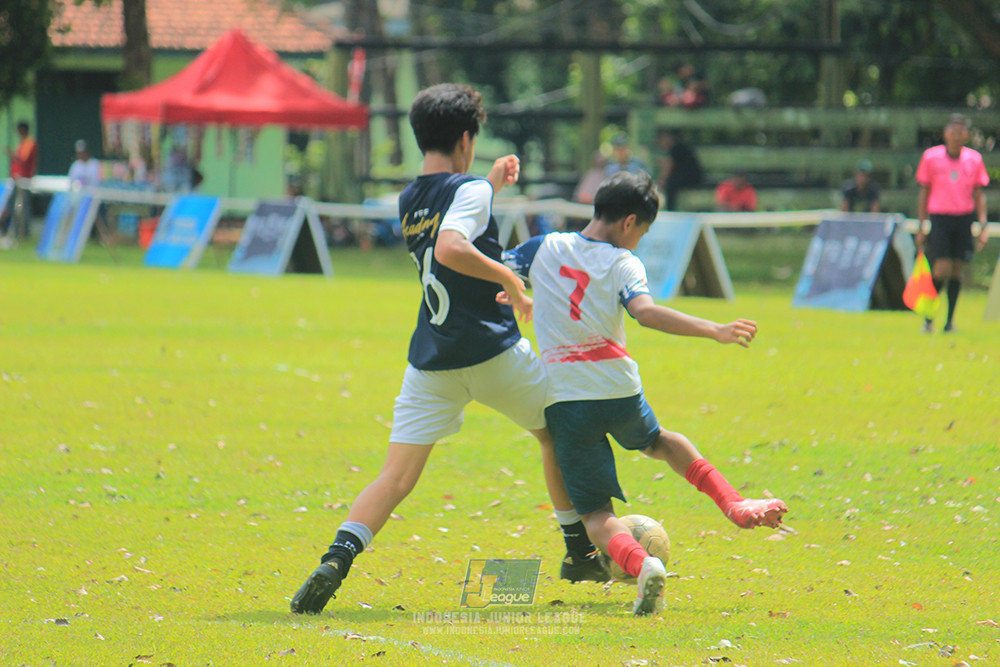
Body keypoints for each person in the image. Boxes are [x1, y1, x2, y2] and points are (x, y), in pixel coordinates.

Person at [289, 83, 606, 615]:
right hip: (491, 351)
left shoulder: (412, 196)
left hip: (431, 362)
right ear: (467, 137)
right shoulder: (470, 192)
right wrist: (510, 274)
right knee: (556, 433)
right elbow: (453, 244)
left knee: (395, 477)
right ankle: (578, 550)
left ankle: (335, 560)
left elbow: (453, 214)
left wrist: (490, 183)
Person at [502, 171, 789, 616]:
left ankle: (642, 565)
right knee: (658, 441)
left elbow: (494, 267)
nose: (637, 243)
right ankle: (732, 503)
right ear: (629, 222)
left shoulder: (545, 247)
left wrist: (510, 288)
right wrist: (714, 329)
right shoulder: (622, 262)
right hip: (619, 389)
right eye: (642, 234)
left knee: (596, 514)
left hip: (566, 398)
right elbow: (646, 313)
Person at [915, 113, 990, 333]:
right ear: (946, 133)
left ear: (966, 135)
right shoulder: (931, 157)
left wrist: (982, 224)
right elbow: (924, 192)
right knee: (941, 268)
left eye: (961, 132)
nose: (957, 136)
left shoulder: (974, 159)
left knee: (957, 269)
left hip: (963, 217)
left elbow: (979, 194)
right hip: (940, 217)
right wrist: (922, 225)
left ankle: (949, 321)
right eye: (953, 131)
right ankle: (928, 318)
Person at [654, 128, 703, 211]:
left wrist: (661, 184)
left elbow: (668, 167)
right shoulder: (678, 147)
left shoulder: (677, 148)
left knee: (670, 185)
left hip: (692, 177)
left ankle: (670, 210)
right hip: (689, 176)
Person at [4, 121, 38, 240]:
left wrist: (11, 153)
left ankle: (24, 232)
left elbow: (23, 159)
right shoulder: (22, 143)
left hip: (24, 180)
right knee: (15, 206)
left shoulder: (29, 143)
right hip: (17, 179)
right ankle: (17, 231)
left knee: (23, 206)